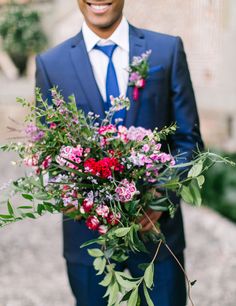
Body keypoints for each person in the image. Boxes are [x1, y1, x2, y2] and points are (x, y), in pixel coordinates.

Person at [35, 1, 203, 305]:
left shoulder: (166, 51)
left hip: (157, 240)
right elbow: (48, 155)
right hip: (88, 244)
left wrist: (160, 197)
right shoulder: (51, 64)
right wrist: (73, 198)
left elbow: (188, 141)